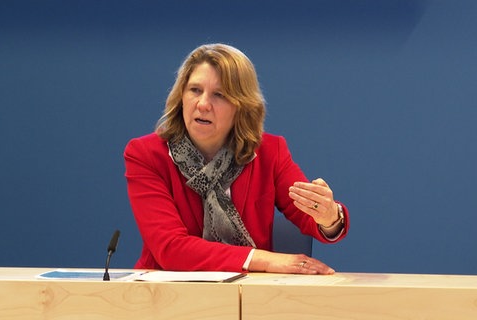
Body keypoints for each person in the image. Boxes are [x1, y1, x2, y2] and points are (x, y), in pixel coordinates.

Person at [124, 43, 349, 275]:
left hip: (248, 297)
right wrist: (264, 260)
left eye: (219, 95)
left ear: (242, 106)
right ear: (180, 96)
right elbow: (171, 248)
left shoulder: (270, 152)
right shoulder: (146, 154)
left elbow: (311, 216)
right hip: (163, 299)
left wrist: (329, 216)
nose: (202, 104)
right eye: (194, 90)